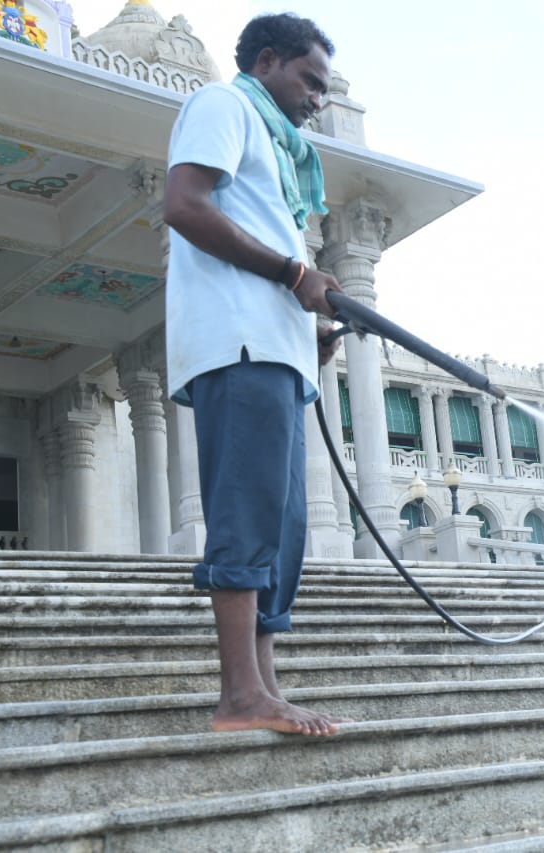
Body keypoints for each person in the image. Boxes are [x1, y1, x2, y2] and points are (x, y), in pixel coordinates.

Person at [163, 13, 347, 735]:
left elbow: (272, 245)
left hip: (278, 351)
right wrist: (292, 272)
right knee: (246, 512)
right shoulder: (224, 105)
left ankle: (264, 683)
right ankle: (239, 692)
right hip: (237, 345)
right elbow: (183, 204)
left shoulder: (278, 143)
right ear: (266, 60)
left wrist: (307, 326)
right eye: (310, 81)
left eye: (326, 88)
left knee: (283, 521)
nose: (317, 98)